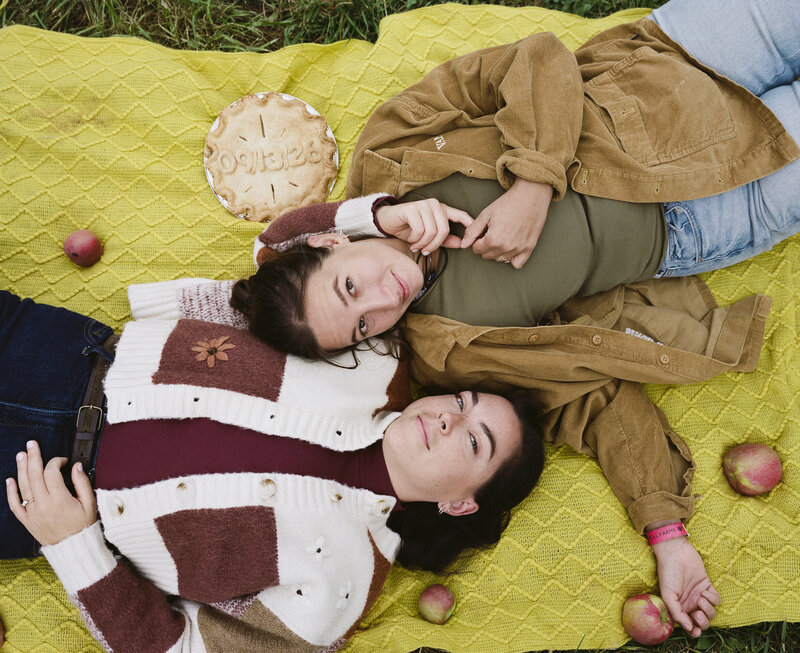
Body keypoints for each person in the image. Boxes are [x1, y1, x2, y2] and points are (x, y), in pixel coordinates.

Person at [230, 0, 800, 636]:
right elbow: (592, 398)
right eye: (363, 326)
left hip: (663, 75)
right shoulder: (452, 351)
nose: (382, 300)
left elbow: (534, 59)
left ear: (331, 243)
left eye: (348, 286)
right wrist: (666, 530)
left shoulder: (391, 152)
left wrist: (533, 183)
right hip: (702, 218)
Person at [0, 285, 545, 652]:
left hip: (42, 488)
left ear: (461, 503)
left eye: (475, 441)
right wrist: (166, 304)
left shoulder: (341, 591)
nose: (450, 418)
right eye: (463, 401)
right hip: (63, 357)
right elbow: (269, 293)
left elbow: (184, 649)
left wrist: (73, 546)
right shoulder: (378, 355)